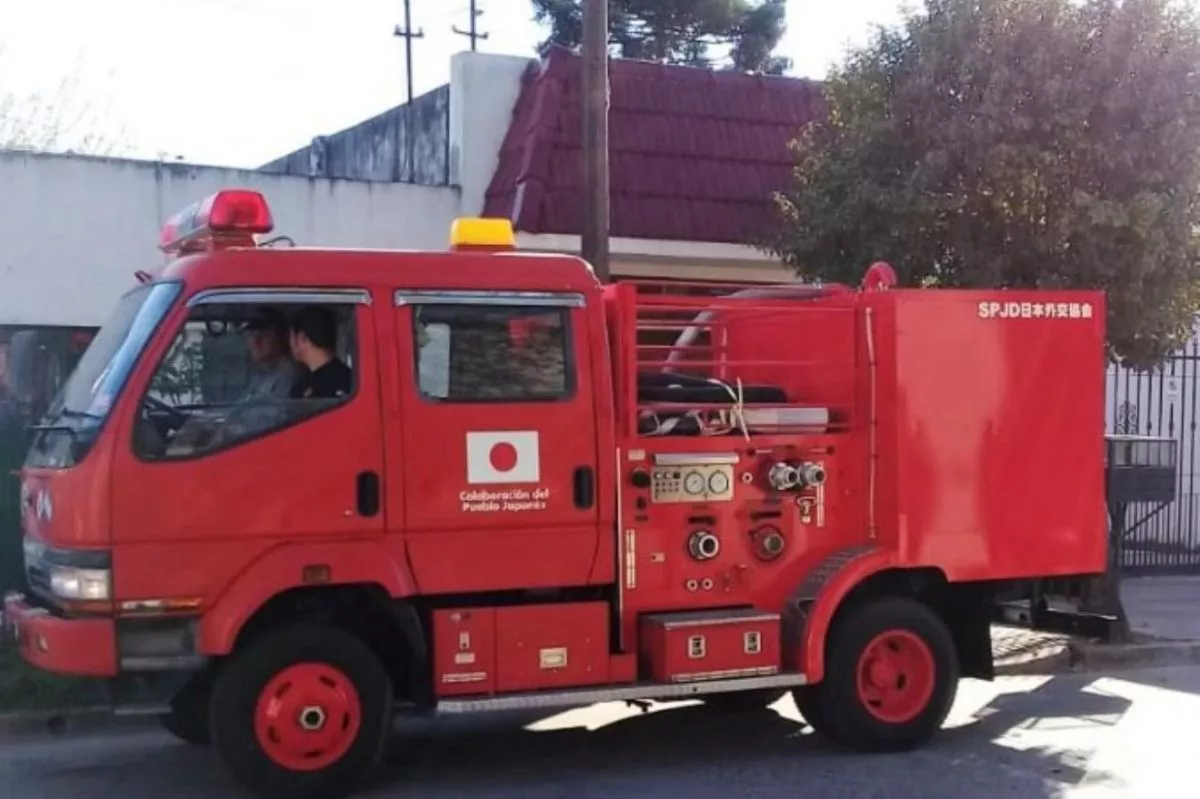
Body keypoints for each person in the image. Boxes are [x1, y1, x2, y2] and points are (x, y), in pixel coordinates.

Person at [288, 306, 353, 400]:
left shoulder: (340, 385)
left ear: (302, 338)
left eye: (291, 336)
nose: (290, 344)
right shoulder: (350, 380)